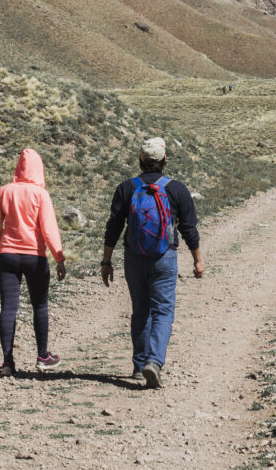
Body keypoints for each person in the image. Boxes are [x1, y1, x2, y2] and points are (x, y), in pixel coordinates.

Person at [101, 137, 203, 388]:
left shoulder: (126, 188)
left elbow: (113, 227)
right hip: (164, 257)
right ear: (165, 160)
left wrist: (106, 260)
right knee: (163, 311)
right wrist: (197, 260)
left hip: (134, 256)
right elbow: (189, 228)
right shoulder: (177, 189)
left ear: (141, 161)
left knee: (140, 309)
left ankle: (138, 365)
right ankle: (154, 362)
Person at [0, 148, 67, 377]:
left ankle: (7, 361)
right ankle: (43, 356)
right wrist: (59, 258)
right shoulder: (40, 194)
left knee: (8, 308)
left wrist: (0, 246)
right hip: (35, 257)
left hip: (7, 257)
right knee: (40, 305)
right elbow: (49, 230)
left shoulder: (5, 191)